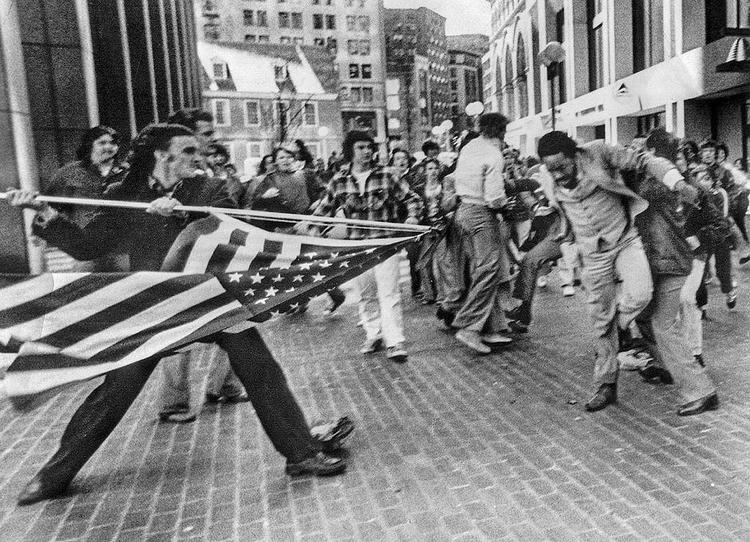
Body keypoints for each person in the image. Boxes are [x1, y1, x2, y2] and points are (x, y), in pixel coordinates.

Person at [7, 124, 351, 506]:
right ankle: (54, 475)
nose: (197, 157)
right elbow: (88, 246)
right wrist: (43, 211)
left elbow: (236, 231)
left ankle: (301, 454)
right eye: (187, 151)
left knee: (260, 367)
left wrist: (179, 218)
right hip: (159, 306)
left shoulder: (208, 190)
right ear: (161, 155)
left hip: (208, 300)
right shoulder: (125, 195)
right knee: (115, 391)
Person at [537, 131, 677, 412]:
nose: (558, 174)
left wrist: (677, 180)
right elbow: (556, 204)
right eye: (551, 169)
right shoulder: (548, 175)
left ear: (575, 154)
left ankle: (620, 327)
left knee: (640, 294)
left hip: (624, 238)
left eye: (562, 167)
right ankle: (606, 385)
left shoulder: (597, 153)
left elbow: (642, 160)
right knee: (599, 319)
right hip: (592, 253)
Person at [629, 128, 719, 416]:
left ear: (654, 153)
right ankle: (668, 365)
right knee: (643, 316)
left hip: (668, 261)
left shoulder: (656, 184)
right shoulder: (676, 180)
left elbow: (638, 189)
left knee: (663, 325)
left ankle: (700, 390)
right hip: (668, 260)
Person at [311, 131, 423, 363]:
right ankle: (374, 333)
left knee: (389, 292)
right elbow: (324, 209)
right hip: (358, 248)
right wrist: (312, 226)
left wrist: (412, 217)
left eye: (369, 147)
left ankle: (395, 341)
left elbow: (412, 199)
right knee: (366, 294)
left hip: (384, 243)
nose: (366, 151)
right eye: (361, 147)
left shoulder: (387, 175)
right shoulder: (339, 180)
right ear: (350, 151)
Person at [450, 113, 515, 354]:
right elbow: (495, 197)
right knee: (489, 270)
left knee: (489, 269)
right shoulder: (493, 154)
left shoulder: (469, 147)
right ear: (501, 131)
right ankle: (469, 327)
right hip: (481, 213)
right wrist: (505, 206)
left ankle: (492, 327)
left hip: (463, 211)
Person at [43, 125, 128, 271]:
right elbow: (50, 204)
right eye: (102, 143)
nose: (108, 147)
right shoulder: (69, 173)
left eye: (113, 143)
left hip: (121, 249)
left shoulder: (127, 172)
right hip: (85, 247)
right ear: (90, 145)